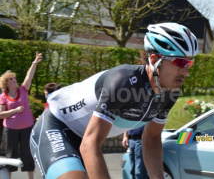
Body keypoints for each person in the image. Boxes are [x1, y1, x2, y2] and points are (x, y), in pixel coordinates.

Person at [29, 22, 199, 179]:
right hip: (56, 126)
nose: (186, 71)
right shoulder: (123, 82)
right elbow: (90, 144)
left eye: (189, 64)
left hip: (85, 137)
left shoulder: (170, 93)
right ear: (154, 60)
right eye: (180, 62)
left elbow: (152, 138)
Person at [0, 52, 42, 179]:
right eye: (11, 79)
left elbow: (29, 77)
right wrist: (15, 110)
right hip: (10, 130)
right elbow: (1, 114)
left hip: (27, 128)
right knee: (10, 155)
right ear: (6, 83)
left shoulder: (23, 90)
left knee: (27, 154)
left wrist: (34, 63)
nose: (14, 80)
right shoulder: (3, 97)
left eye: (14, 78)